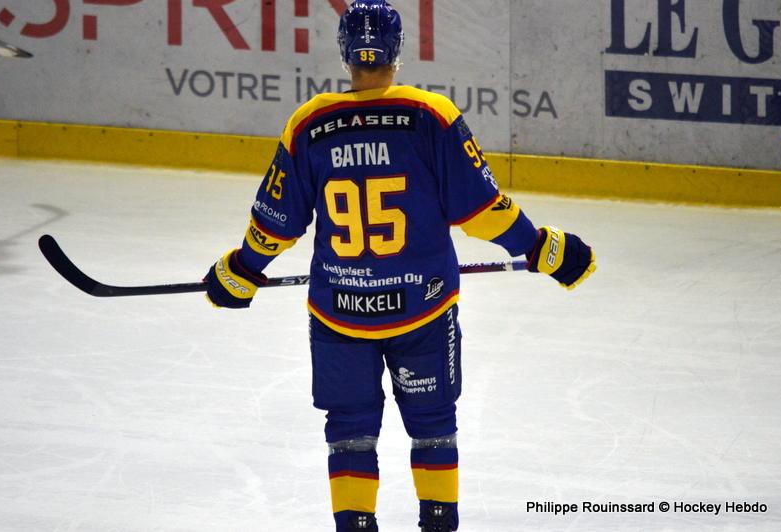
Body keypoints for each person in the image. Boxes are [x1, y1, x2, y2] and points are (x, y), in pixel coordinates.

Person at [204, 1, 596, 530]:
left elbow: (275, 224)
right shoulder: (431, 115)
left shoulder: (309, 123)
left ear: (345, 53)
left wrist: (241, 271)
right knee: (433, 427)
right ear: (398, 51)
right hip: (423, 310)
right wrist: (541, 247)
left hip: (340, 314)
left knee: (350, 432)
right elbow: (482, 211)